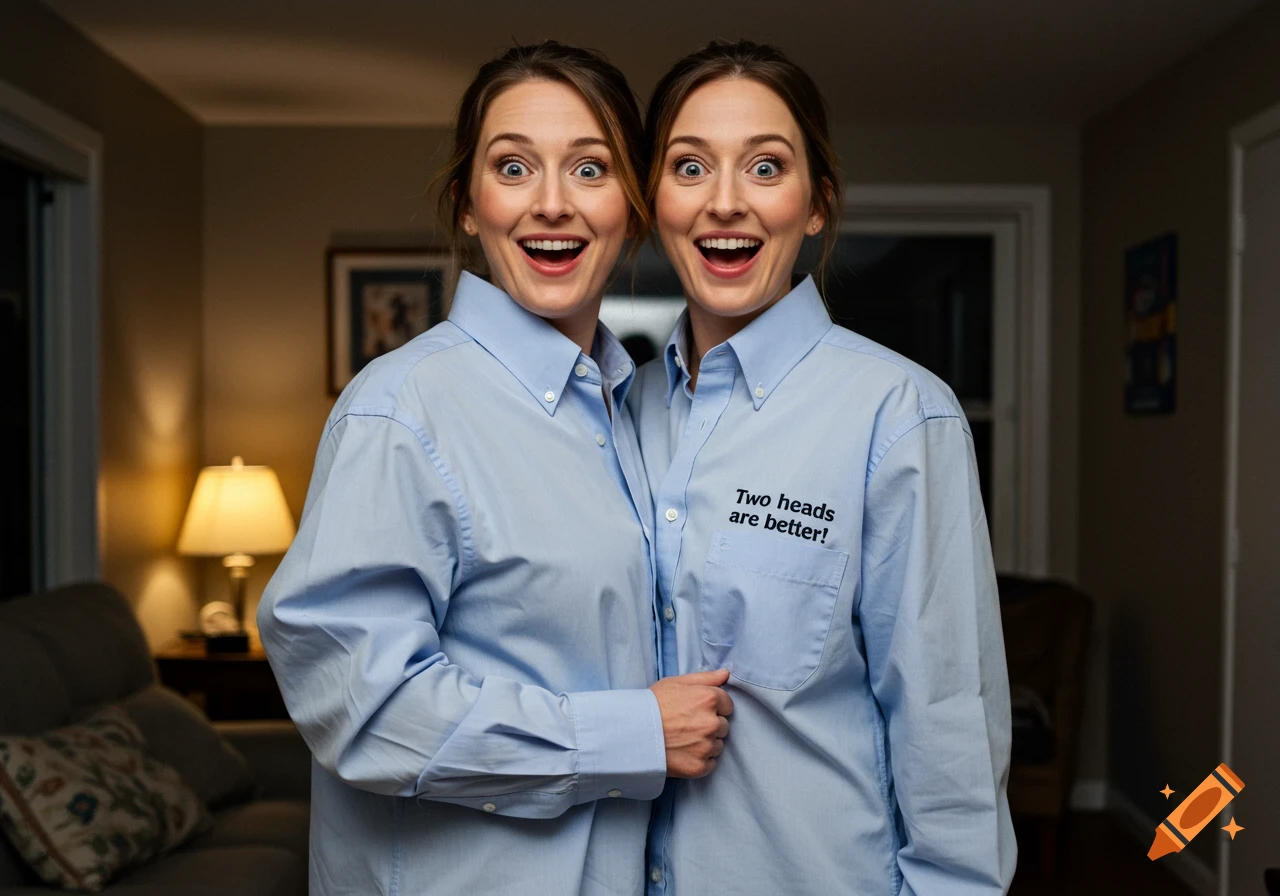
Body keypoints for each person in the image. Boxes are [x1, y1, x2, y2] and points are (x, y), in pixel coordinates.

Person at [258, 42, 732, 896]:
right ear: (467, 205)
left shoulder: (631, 408)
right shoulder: (405, 408)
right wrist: (632, 736)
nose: (551, 205)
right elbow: (360, 707)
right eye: (513, 167)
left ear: (632, 203)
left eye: (590, 169)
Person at [629, 40, 1015, 895]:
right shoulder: (621, 414)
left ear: (815, 205)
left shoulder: (896, 415)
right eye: (689, 167)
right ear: (651, 199)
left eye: (766, 166)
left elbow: (946, 720)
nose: (725, 204)